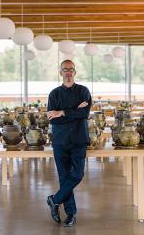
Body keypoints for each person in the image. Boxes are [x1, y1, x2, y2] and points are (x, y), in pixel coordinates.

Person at [46, 60, 92, 227]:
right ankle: (71, 214)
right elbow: (53, 120)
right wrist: (74, 111)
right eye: (65, 69)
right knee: (65, 178)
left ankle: (54, 200)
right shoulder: (54, 94)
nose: (68, 72)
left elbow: (84, 113)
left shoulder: (83, 91)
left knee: (77, 174)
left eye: (71, 69)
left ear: (75, 72)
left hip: (79, 140)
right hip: (60, 141)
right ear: (60, 72)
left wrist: (62, 112)